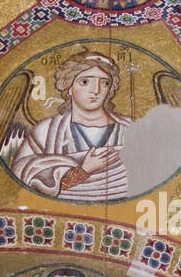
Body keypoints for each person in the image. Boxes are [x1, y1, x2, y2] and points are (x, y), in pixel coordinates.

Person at [8, 52, 130, 201]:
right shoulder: (45, 131)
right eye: (85, 82)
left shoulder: (131, 128)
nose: (96, 90)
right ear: (69, 87)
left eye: (104, 83)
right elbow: (23, 177)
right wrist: (82, 171)